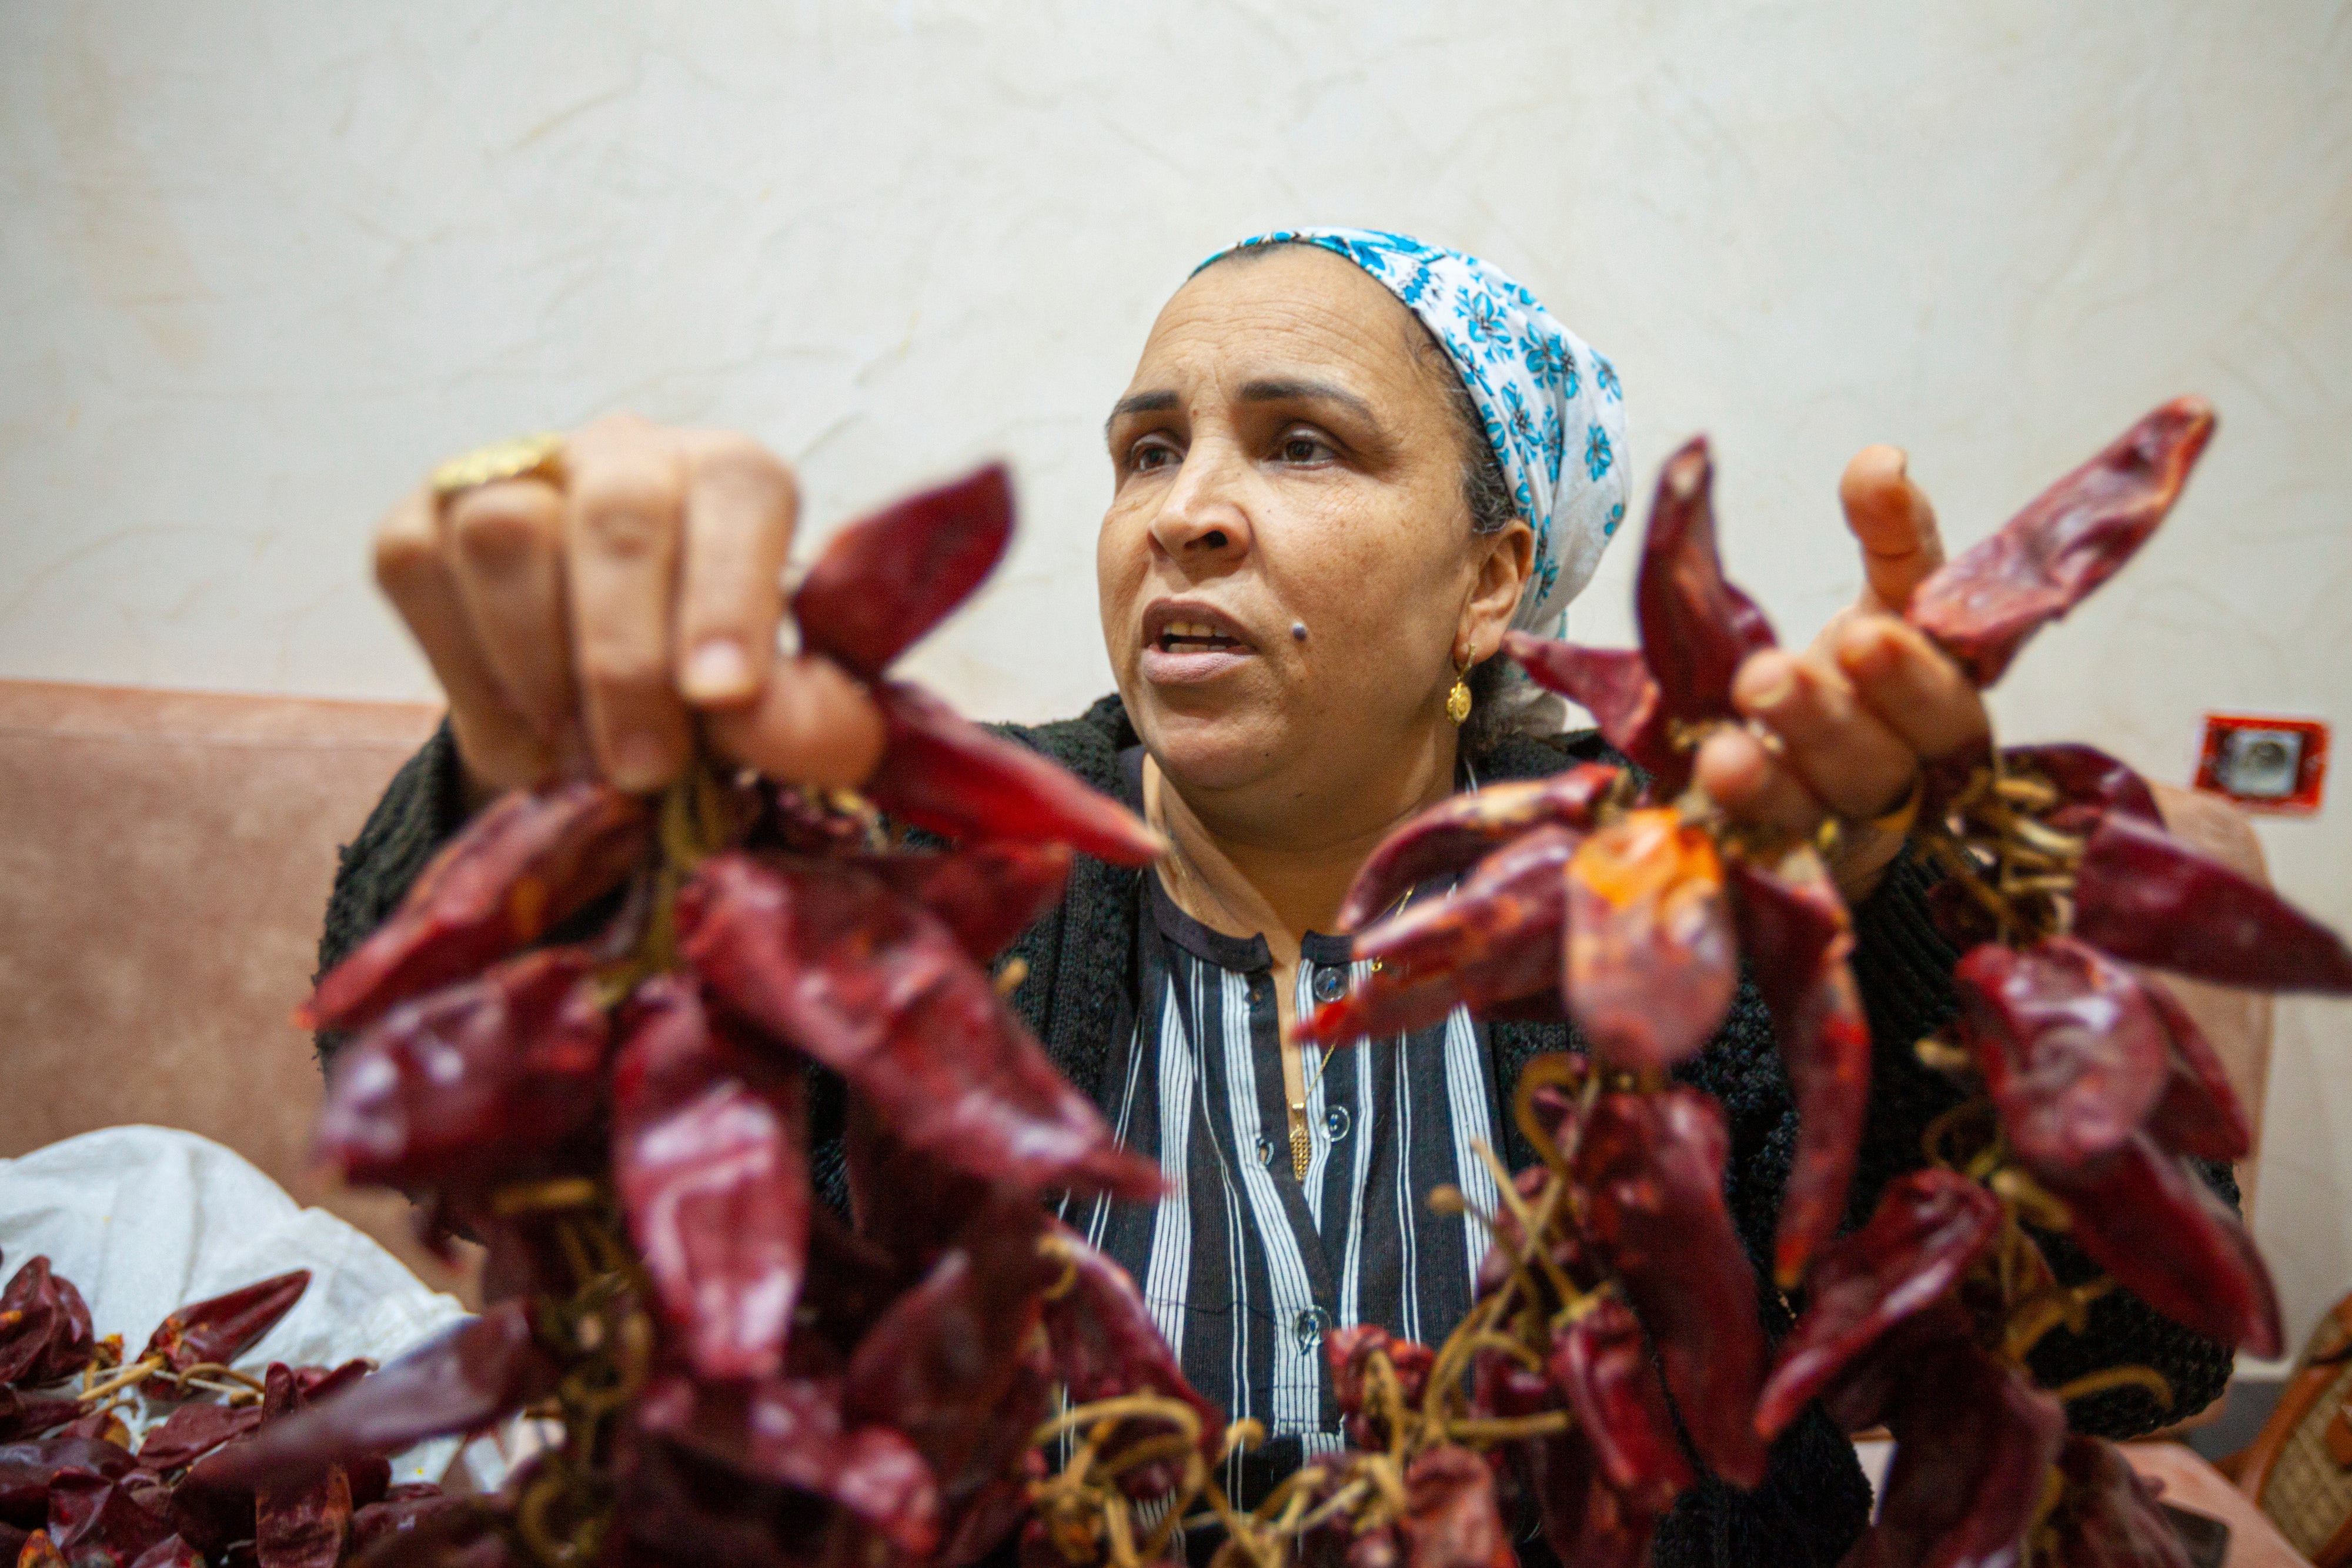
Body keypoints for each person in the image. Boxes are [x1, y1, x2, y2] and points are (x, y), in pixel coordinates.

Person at [319, 229, 2239, 1567]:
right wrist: (542, 777)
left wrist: (1904, 889)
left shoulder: (1685, 895)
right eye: (1149, 449)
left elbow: (2146, 1346)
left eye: (1299, 442)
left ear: (1495, 583)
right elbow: (410, 1057)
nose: (1186, 509)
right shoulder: (929, 869)